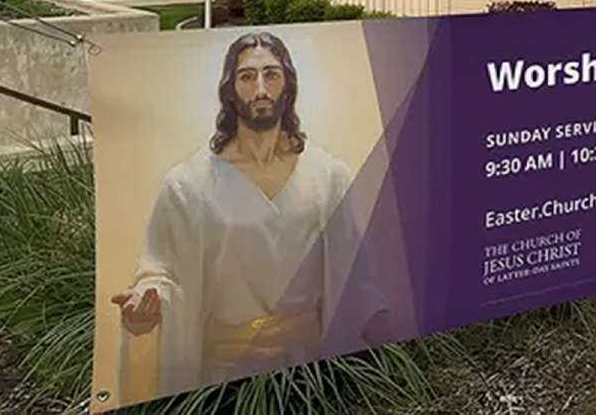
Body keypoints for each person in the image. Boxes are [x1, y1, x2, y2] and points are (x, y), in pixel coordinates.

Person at [111, 31, 390, 398]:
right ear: (229, 89)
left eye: (271, 74)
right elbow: (161, 272)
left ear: (288, 85)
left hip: (310, 372)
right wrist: (146, 301)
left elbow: (358, 276)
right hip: (222, 380)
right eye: (247, 76)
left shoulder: (328, 177)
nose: (261, 88)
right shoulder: (188, 185)